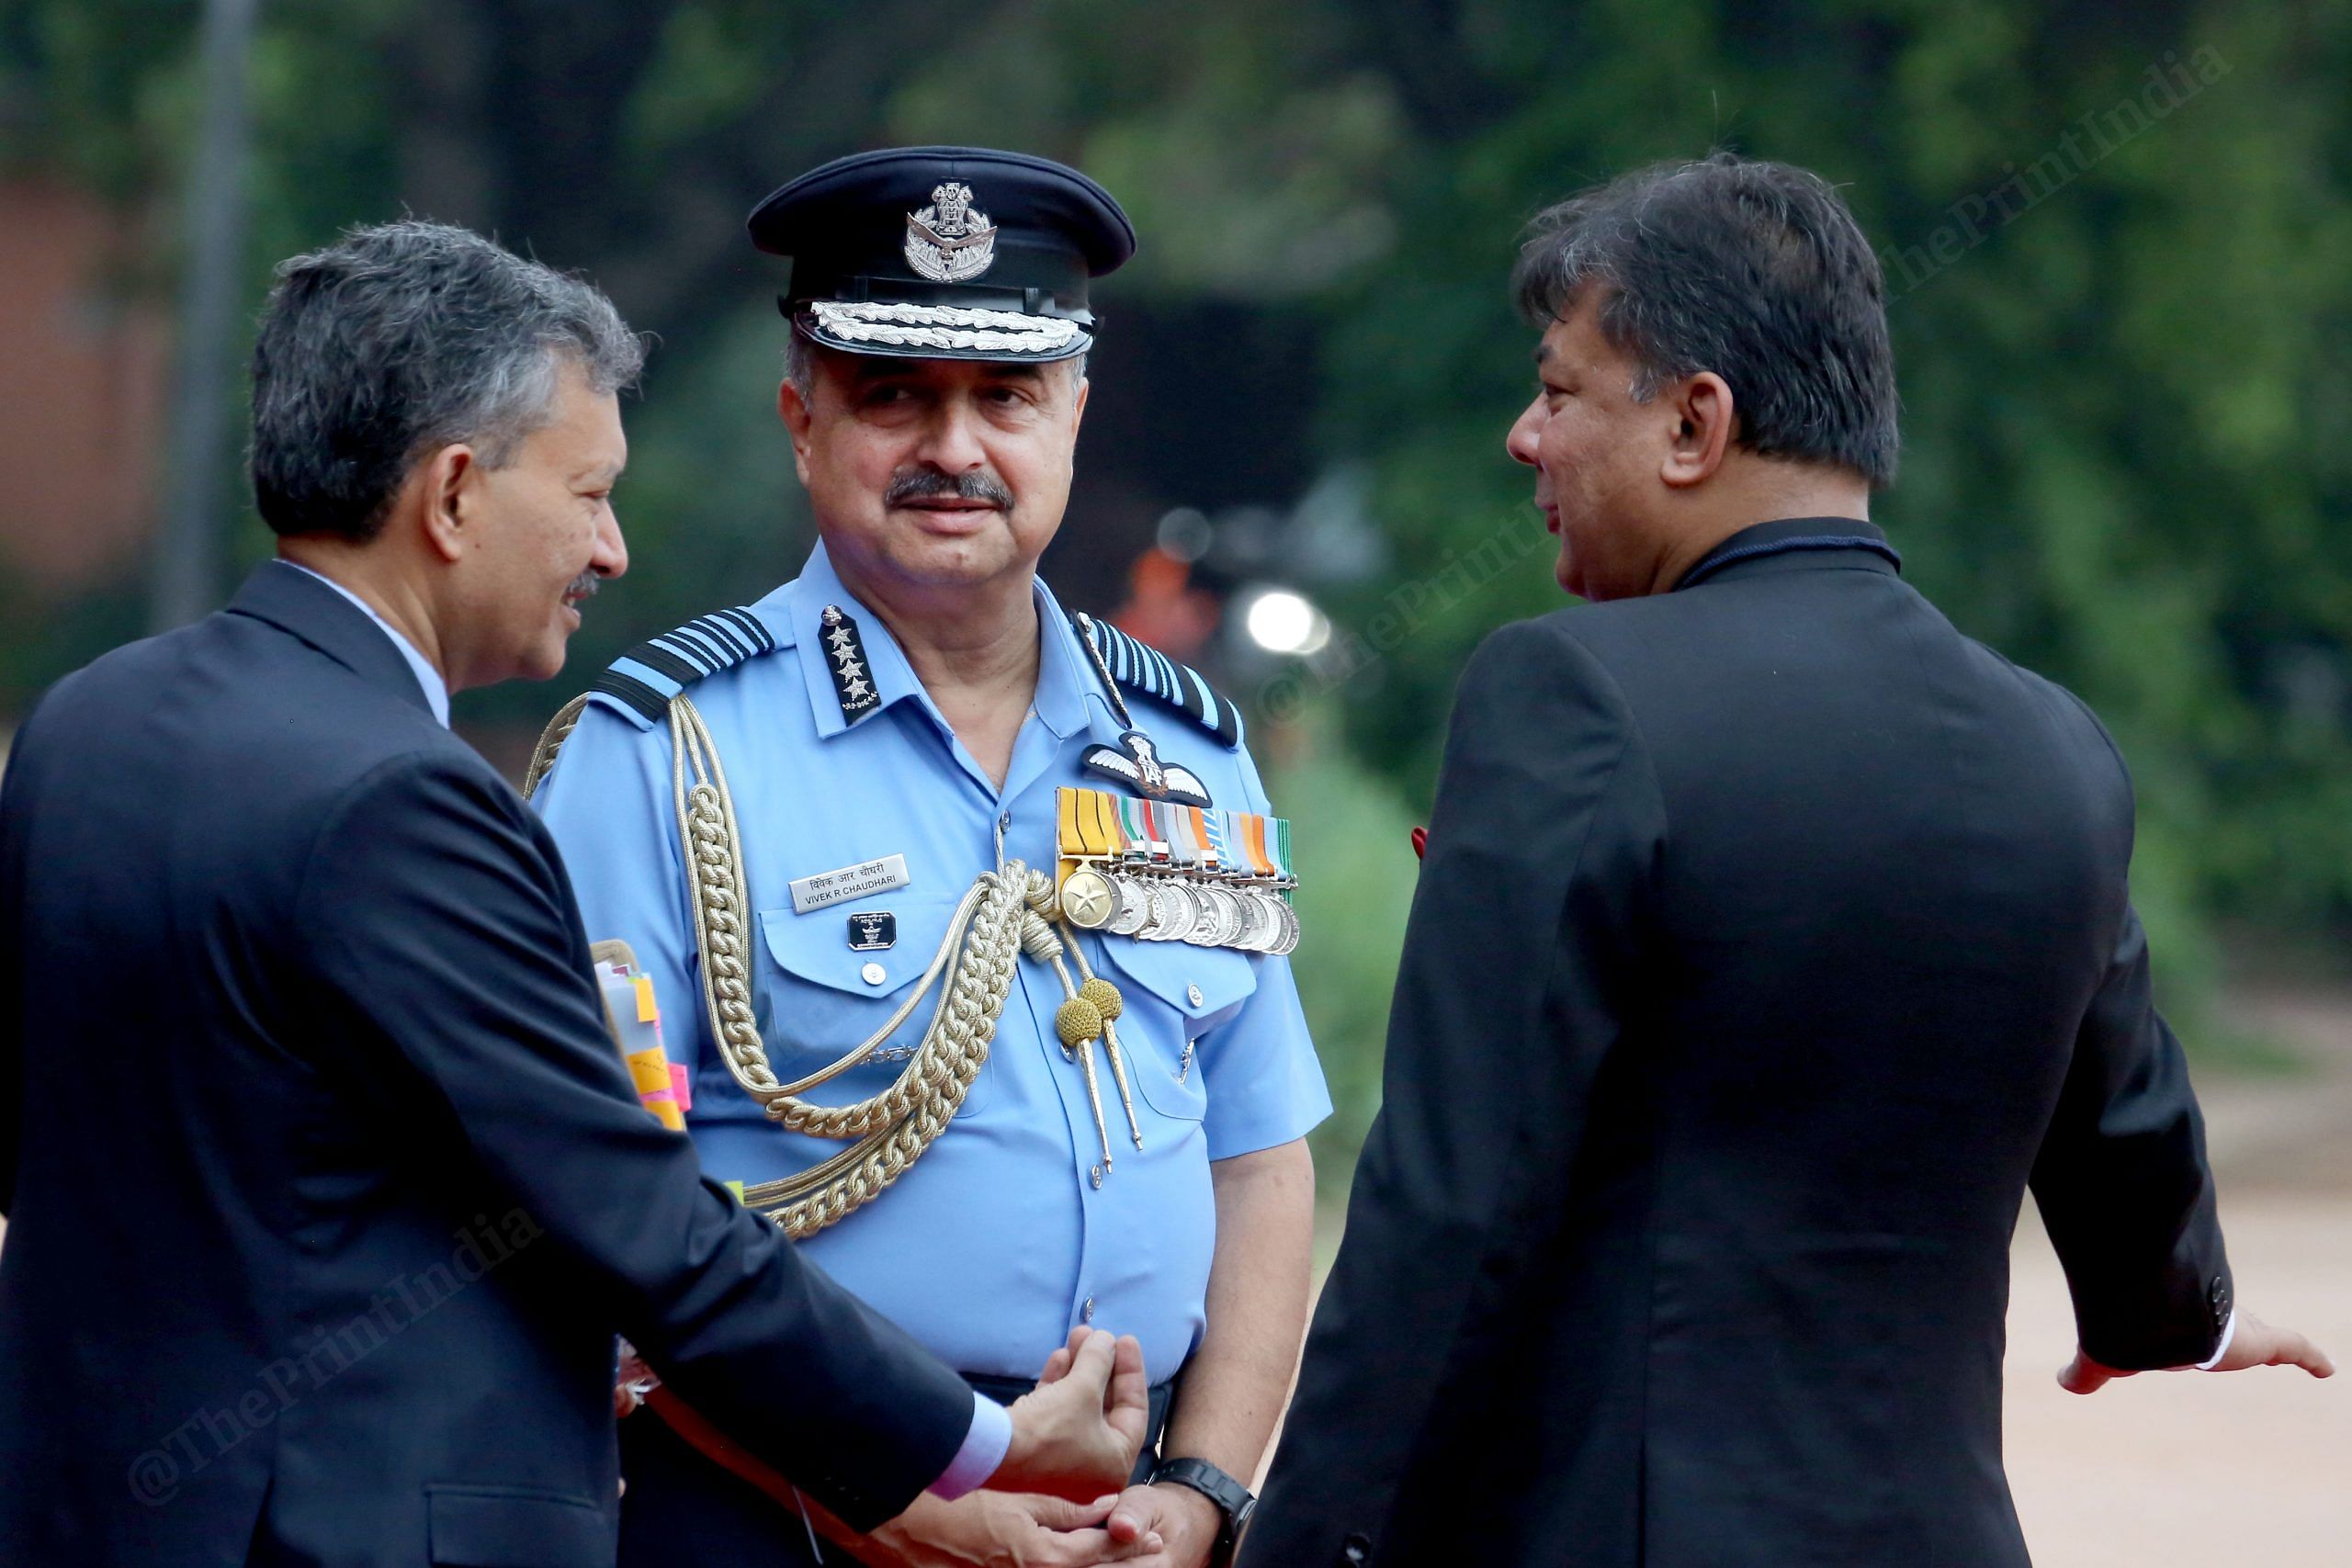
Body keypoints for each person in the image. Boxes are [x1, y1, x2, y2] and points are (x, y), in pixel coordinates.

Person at [0, 220, 1152, 1568]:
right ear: (450, 497)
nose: (609, 550)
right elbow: (644, 1231)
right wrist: (983, 1441)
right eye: (589, 492)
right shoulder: (403, 802)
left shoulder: (90, 722)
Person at [1242, 153, 2334, 1567]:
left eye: (1561, 391)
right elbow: (2123, 1105)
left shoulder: (1572, 692)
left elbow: (1447, 1203)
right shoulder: (2058, 748)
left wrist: (1302, 1545)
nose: (1526, 436)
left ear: (1695, 423)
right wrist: (2176, 1317)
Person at [528, 147, 1327, 1568]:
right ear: (801, 418)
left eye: (1005, 397)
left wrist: (1203, 1493)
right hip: (783, 1515)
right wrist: (907, 1505)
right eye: (895, 396)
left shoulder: (1185, 753)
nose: (955, 450)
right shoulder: (657, 755)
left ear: (1072, 416)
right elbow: (595, 1224)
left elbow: (1258, 1156)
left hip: (1126, 1526)